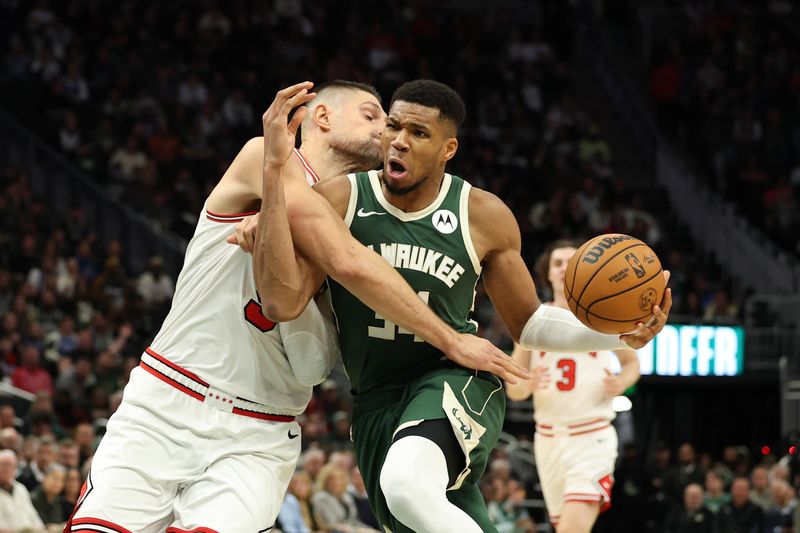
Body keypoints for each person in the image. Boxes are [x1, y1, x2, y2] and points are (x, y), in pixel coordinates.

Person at [66, 80, 522, 533]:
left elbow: (303, 336)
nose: (388, 129)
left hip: (262, 427)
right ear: (321, 117)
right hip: (172, 396)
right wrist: (451, 339)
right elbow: (348, 263)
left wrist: (274, 235)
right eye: (372, 115)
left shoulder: (354, 214)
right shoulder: (266, 156)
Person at [237, 79, 671, 532]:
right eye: (393, 126)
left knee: (406, 485)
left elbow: (531, 324)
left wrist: (614, 332)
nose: (399, 141)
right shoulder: (339, 199)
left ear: (448, 149)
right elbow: (285, 299)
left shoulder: (482, 214)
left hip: (454, 375)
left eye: (418, 133)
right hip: (375, 397)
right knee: (426, 513)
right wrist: (270, 232)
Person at [505, 239, 642, 532]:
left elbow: (632, 364)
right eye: (557, 263)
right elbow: (513, 390)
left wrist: (621, 383)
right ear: (548, 273)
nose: (564, 268)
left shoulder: (602, 315)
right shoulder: (532, 321)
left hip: (591, 436)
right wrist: (527, 384)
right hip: (548, 440)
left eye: (570, 261)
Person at [0, 449, 45, 531]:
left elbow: (34, 517)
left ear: (15, 469)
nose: (6, 469)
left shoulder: (21, 489)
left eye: (10, 465)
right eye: (3, 465)